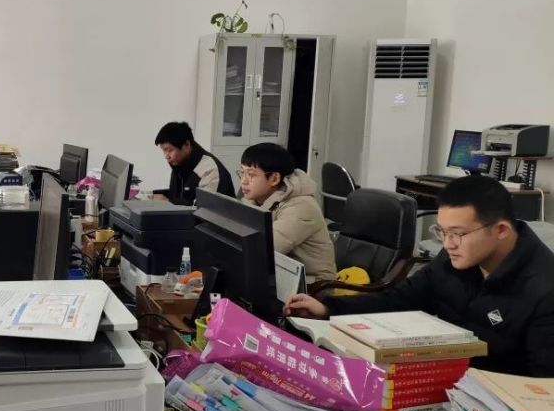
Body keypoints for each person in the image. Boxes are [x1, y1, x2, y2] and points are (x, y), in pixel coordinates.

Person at [285, 175, 554, 377]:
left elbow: (542, 386)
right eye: (442, 232)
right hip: (435, 381)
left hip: (490, 408)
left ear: (501, 230)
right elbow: (398, 299)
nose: (448, 244)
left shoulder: (544, 290)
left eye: (458, 234)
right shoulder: (456, 258)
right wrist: (328, 308)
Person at [239, 143, 336, 283]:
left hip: (313, 285)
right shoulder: (257, 198)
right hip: (280, 276)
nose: (243, 181)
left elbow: (263, 250)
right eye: (242, 172)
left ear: (274, 178)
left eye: (251, 175)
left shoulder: (302, 207)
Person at [154, 121, 234, 205]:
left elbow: (204, 207)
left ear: (187, 145)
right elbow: (179, 195)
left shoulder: (209, 168)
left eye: (170, 150)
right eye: (164, 151)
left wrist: (168, 202)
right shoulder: (178, 163)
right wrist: (153, 195)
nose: (166, 156)